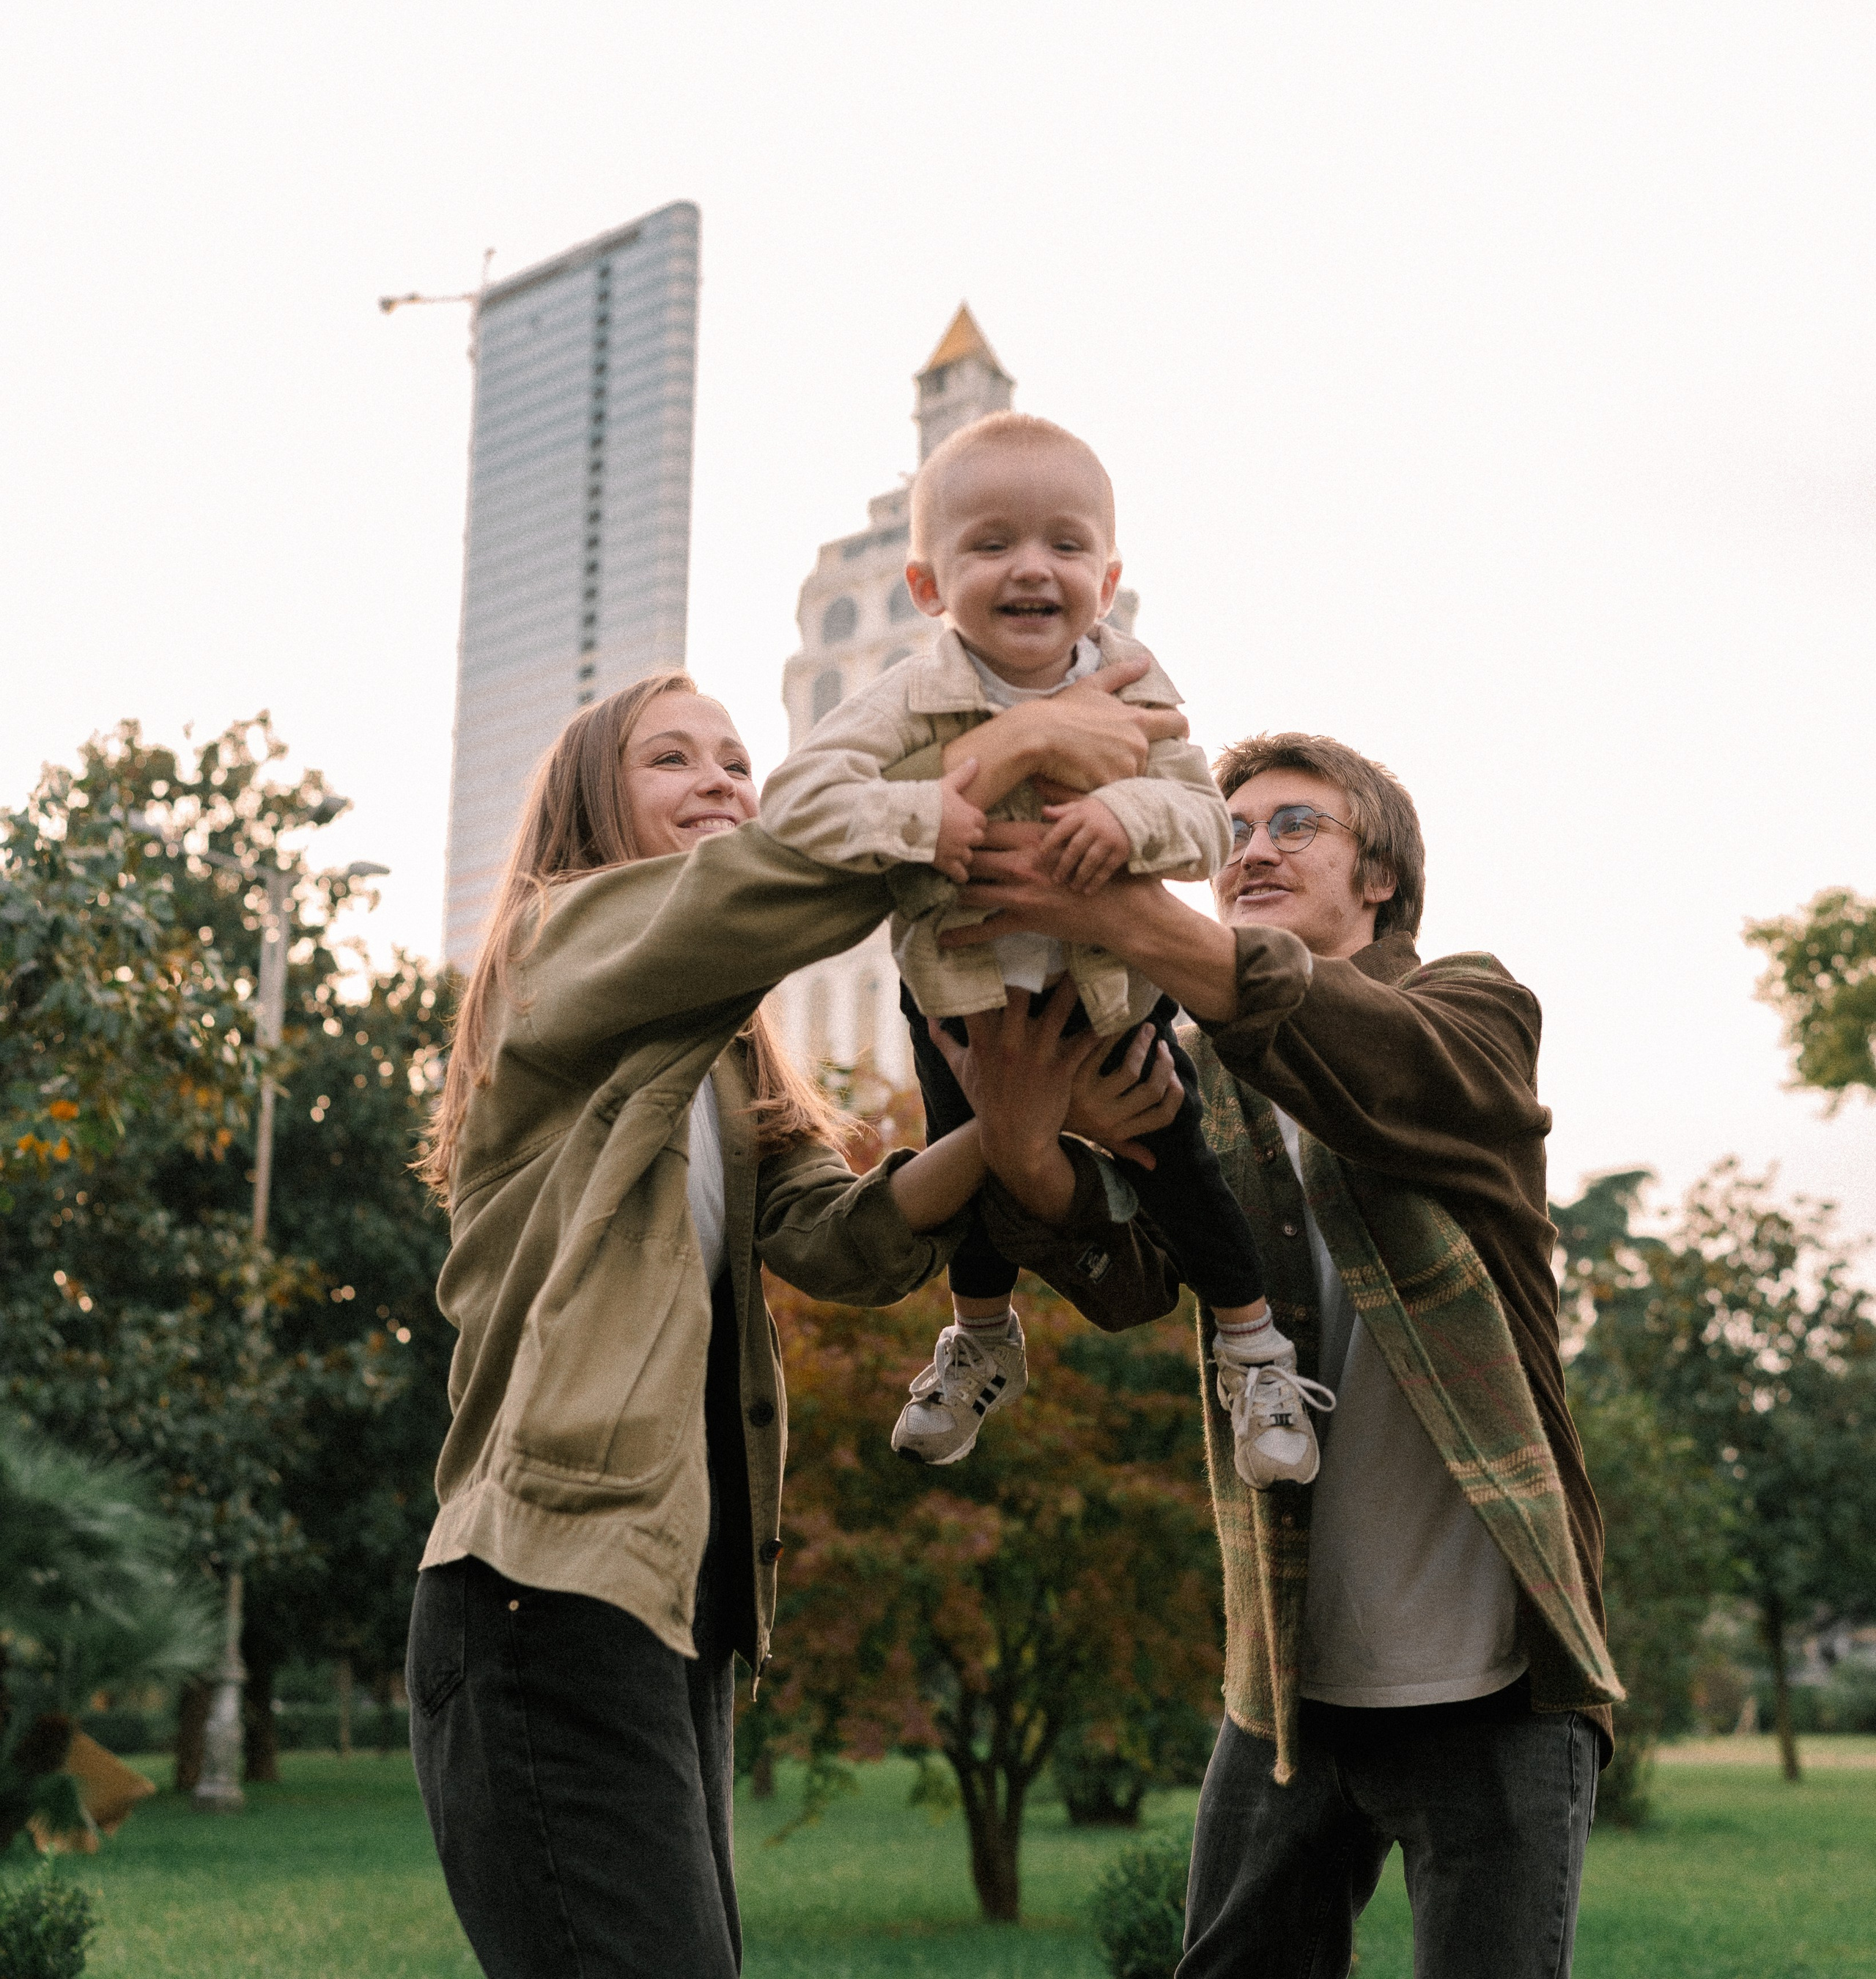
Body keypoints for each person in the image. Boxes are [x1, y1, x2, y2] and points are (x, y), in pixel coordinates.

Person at [406, 668, 1182, 1979]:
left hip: (673, 1609)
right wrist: (1014, 746)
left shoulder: (713, 1058)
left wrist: (1003, 1133)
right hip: (540, 1590)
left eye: (735, 758)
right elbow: (753, 893)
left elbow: (842, 1235)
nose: (722, 778)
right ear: (590, 809)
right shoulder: (558, 952)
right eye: (674, 760)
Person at [943, 731, 1621, 1979]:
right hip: (1289, 1685)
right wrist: (1028, 1138)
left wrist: (1130, 916)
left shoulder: (1472, 1012)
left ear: (1381, 879)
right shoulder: (1190, 1080)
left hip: (1501, 1684)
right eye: (1231, 829)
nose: (1252, 848)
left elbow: (1379, 1070)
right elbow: (1131, 1274)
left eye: (1293, 825)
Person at [761, 411, 1322, 1482]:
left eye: (1064, 545)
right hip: (961, 988)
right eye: (991, 545)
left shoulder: (1134, 689)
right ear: (927, 587)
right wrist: (924, 816)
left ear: (1105, 581)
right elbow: (798, 799)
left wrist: (1126, 820)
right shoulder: (909, 693)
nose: (1032, 569)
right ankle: (979, 1338)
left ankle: (1255, 1351)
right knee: (958, 1158)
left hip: (1107, 996)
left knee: (1177, 1162)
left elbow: (1203, 822)